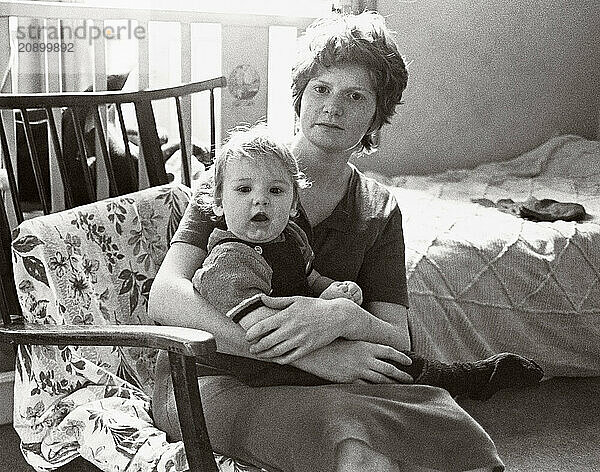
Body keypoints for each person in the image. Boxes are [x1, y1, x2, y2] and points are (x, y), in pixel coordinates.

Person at [151, 12, 513, 472]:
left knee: (458, 434)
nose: (332, 107)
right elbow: (165, 297)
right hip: (214, 377)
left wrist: (338, 314)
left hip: (318, 381)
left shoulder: (379, 209)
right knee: (356, 446)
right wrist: (317, 354)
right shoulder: (243, 177)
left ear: (376, 117)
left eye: (355, 96)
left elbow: (394, 336)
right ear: (300, 95)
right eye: (321, 89)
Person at [191, 123, 543, 397]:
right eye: (243, 190)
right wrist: (322, 353)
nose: (260, 201)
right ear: (218, 202)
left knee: (386, 369)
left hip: (305, 340)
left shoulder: (292, 237)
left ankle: (460, 378)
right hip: (254, 365)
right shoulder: (229, 260)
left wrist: (335, 297)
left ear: (293, 202)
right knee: (376, 381)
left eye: (275, 192)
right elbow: (259, 330)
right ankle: (454, 380)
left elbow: (309, 276)